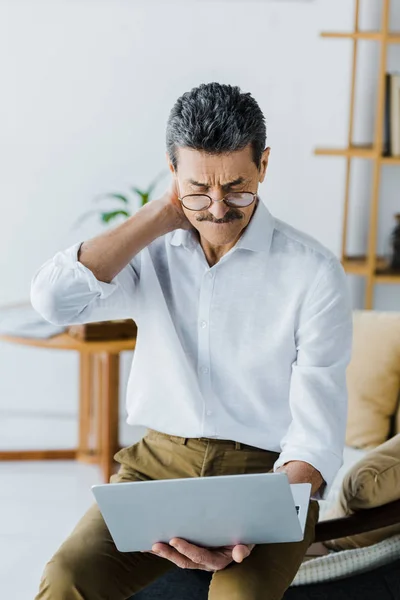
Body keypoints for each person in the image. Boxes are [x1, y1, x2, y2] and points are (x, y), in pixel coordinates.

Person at [31, 82, 352, 600]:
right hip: (155, 470)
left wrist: (258, 516)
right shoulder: (150, 252)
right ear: (172, 171)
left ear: (263, 165)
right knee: (69, 577)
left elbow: (315, 438)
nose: (219, 208)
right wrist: (161, 215)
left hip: (267, 476)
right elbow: (54, 301)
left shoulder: (313, 273)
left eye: (238, 188)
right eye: (199, 189)